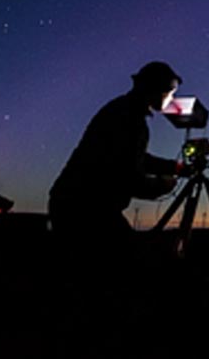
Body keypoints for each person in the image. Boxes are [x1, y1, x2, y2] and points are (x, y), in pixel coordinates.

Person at [48, 61, 185, 255]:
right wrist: (164, 185)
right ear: (156, 88)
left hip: (75, 203)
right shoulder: (131, 119)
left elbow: (135, 158)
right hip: (86, 210)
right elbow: (129, 179)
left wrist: (174, 167)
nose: (171, 97)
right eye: (170, 92)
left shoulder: (122, 109)